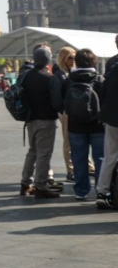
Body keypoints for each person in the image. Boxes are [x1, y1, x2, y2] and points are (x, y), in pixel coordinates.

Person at [19, 45, 64, 198]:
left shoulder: (26, 76)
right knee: (44, 154)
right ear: (49, 60)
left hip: (30, 119)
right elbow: (57, 101)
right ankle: (41, 186)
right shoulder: (50, 78)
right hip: (46, 119)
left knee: (32, 152)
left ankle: (25, 183)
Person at [63, 48, 106, 201]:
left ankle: (81, 191)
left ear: (77, 62)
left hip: (75, 125)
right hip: (98, 125)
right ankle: (101, 189)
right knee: (100, 158)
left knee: (78, 158)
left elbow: (62, 100)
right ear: (94, 62)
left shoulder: (69, 80)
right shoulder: (99, 80)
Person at [56, 46, 83, 182]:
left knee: (81, 139)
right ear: (63, 59)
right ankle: (70, 170)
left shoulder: (73, 72)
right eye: (70, 58)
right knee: (68, 141)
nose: (73, 60)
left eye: (74, 58)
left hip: (76, 109)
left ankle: (88, 166)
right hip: (66, 111)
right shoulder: (60, 74)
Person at [98, 42, 118, 210]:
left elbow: (102, 93)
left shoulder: (113, 68)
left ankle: (102, 191)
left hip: (112, 118)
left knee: (110, 156)